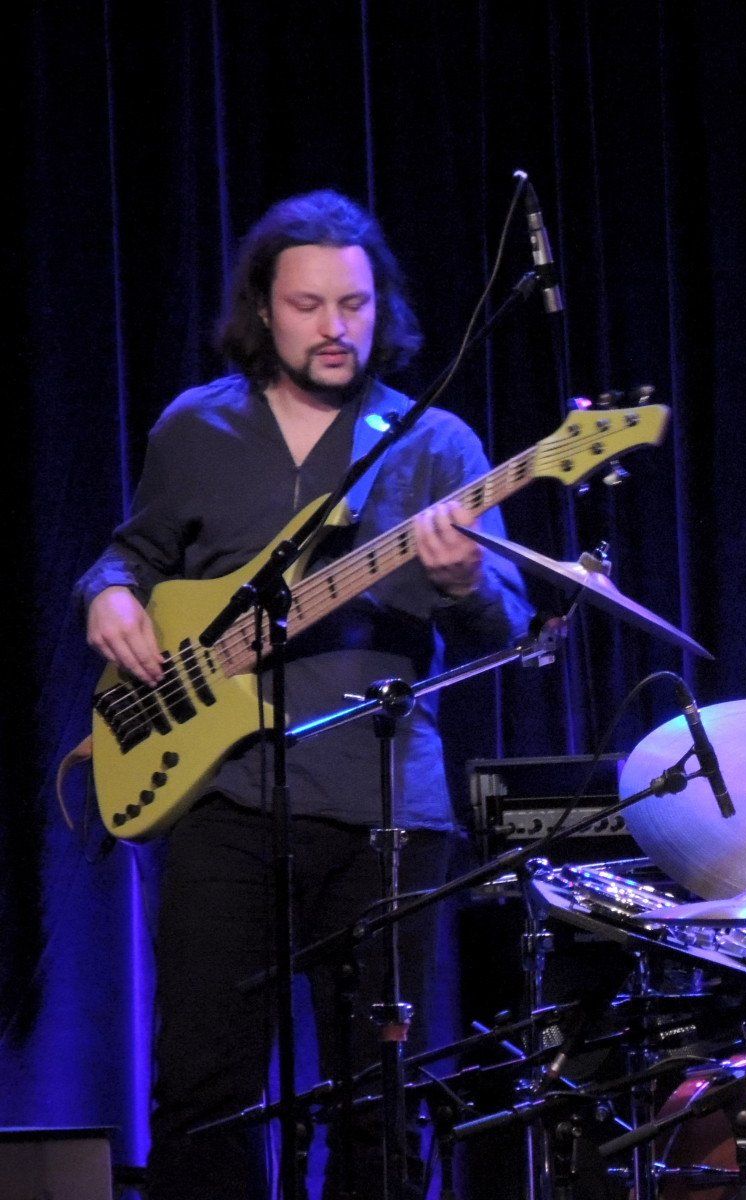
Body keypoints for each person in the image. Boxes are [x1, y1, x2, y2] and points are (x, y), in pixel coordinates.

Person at [77, 190, 531, 1199]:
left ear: (382, 309)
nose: (335, 327)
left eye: (354, 305)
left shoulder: (434, 443)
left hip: (386, 808)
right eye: (308, 304)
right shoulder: (198, 426)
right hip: (224, 796)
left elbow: (504, 625)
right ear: (262, 308)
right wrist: (104, 594)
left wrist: (464, 581)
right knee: (202, 1089)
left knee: (377, 1097)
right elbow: (132, 553)